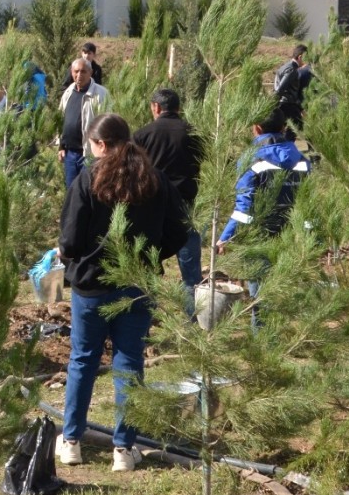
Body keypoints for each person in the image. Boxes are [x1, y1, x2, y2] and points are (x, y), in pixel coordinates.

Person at [56, 114, 188, 471]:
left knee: (83, 360)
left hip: (92, 287)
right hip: (137, 284)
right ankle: (123, 450)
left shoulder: (88, 179)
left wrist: (73, 257)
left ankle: (71, 441)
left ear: (100, 144)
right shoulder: (155, 180)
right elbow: (180, 230)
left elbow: (69, 240)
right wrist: (150, 255)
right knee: (129, 363)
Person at [215, 109, 312, 317]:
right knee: (283, 288)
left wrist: (225, 237)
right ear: (284, 128)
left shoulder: (252, 159)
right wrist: (311, 233)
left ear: (256, 128)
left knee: (260, 292)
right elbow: (308, 203)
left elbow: (244, 207)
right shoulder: (302, 160)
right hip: (291, 233)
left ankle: (264, 341)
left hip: (260, 234)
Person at [132, 89, 204, 315]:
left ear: (155, 107)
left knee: (148, 263)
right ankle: (191, 318)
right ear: (178, 107)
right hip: (185, 205)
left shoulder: (143, 135)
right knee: (191, 270)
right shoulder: (193, 133)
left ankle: (146, 312)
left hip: (152, 206)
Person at [58, 58, 109, 189]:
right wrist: (61, 146)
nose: (79, 75)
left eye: (83, 71)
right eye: (76, 71)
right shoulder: (68, 92)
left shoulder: (100, 94)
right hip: (70, 153)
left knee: (89, 189)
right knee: (72, 191)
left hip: (89, 154)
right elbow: (61, 119)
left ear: (91, 72)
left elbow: (107, 124)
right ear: (71, 72)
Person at [273, 44, 308, 131]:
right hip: (288, 105)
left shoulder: (285, 66)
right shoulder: (292, 69)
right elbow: (281, 88)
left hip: (284, 104)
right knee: (296, 128)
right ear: (300, 57)